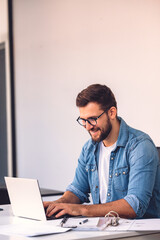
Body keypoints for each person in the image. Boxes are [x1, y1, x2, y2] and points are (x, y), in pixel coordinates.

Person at [44, 84, 160, 219]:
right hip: (105, 230)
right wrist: (55, 205)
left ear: (112, 112)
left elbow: (135, 205)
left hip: (141, 234)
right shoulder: (89, 148)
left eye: (92, 119)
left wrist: (81, 209)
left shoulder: (140, 146)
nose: (87, 127)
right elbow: (78, 190)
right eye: (83, 120)